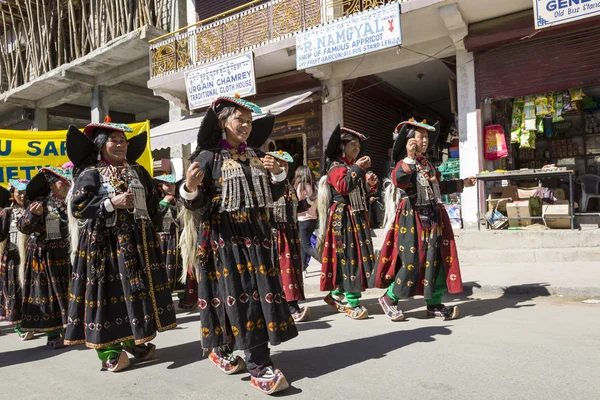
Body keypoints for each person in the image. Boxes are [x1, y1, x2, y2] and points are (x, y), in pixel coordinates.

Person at [179, 95, 296, 395]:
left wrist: (278, 173)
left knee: (256, 297)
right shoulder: (207, 157)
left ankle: (231, 350)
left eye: (248, 120)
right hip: (224, 241)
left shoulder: (258, 155)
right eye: (239, 119)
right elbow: (195, 203)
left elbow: (273, 193)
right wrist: (190, 188)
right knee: (235, 296)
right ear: (223, 123)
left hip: (257, 240)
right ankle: (258, 365)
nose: (245, 125)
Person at [63, 118, 176, 372]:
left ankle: (130, 338)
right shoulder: (90, 173)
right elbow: (78, 208)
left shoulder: (138, 170)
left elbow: (152, 205)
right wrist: (111, 203)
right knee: (107, 295)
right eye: (114, 140)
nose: (120, 144)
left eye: (123, 140)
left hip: (138, 244)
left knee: (132, 292)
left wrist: (167, 196)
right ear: (102, 145)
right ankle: (109, 350)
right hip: (105, 245)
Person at [371, 119, 476, 321]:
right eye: (421, 137)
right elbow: (399, 180)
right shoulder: (404, 164)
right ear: (410, 141)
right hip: (412, 219)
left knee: (435, 260)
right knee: (412, 261)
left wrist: (463, 183)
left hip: (434, 218)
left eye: (427, 137)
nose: (425, 140)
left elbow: (440, 187)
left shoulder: (427, 165)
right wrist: (409, 158)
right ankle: (389, 298)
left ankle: (434, 304)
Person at [317, 125, 376, 320]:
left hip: (355, 216)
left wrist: (369, 185)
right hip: (343, 218)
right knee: (350, 257)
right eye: (353, 143)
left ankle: (335, 295)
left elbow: (358, 192)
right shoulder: (336, 166)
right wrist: (359, 168)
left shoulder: (350, 167)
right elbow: (343, 187)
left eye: (359, 144)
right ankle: (353, 302)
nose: (357, 147)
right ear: (342, 146)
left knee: (352, 256)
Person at [17, 167, 73, 348]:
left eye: (67, 181)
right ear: (51, 185)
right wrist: (34, 215)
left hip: (67, 253)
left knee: (70, 292)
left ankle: (71, 329)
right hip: (44, 255)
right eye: (61, 182)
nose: (65, 184)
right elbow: (23, 226)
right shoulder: (39, 203)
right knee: (47, 294)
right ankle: (53, 334)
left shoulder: (72, 202)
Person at [269, 151, 309, 322]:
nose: (283, 167)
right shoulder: (266, 185)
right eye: (279, 164)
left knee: (292, 269)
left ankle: (290, 304)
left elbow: (298, 207)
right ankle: (290, 307)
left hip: (291, 232)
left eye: (285, 165)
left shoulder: (289, 185)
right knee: (281, 271)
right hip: (275, 234)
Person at [155, 174, 198, 310]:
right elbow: (155, 217)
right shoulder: (156, 201)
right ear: (161, 187)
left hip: (181, 241)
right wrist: (164, 202)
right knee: (164, 271)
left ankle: (186, 299)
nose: (171, 187)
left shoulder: (180, 200)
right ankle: (164, 302)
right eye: (167, 185)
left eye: (173, 184)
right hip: (164, 242)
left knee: (182, 269)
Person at [0, 181, 30, 339]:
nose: (22, 195)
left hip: (32, 256)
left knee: (31, 290)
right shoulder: (7, 212)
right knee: (15, 292)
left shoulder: (35, 210)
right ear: (13, 194)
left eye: (25, 192)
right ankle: (19, 324)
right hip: (12, 257)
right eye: (19, 192)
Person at [294, 166, 319, 274]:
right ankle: (303, 267)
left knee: (306, 246)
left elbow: (298, 202)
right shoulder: (314, 186)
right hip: (313, 219)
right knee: (304, 245)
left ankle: (325, 262)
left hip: (303, 219)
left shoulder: (301, 186)